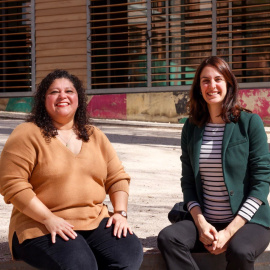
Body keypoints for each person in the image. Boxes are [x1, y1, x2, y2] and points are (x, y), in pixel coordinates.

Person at [0, 69, 143, 270]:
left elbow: (117, 177)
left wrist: (120, 213)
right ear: (43, 99)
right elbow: (12, 185)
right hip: (39, 224)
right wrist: (48, 218)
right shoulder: (27, 134)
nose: (62, 96)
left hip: (93, 220)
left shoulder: (95, 135)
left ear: (78, 98)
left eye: (69, 91)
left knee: (128, 254)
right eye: (54, 92)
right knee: (81, 264)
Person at [157, 56, 270, 270]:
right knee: (168, 238)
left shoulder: (249, 123)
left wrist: (229, 232)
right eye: (205, 80)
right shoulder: (191, 127)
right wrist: (200, 224)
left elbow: (261, 183)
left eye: (218, 79)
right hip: (207, 220)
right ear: (199, 87)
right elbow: (188, 182)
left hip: (248, 221)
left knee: (241, 250)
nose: (212, 86)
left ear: (228, 83)